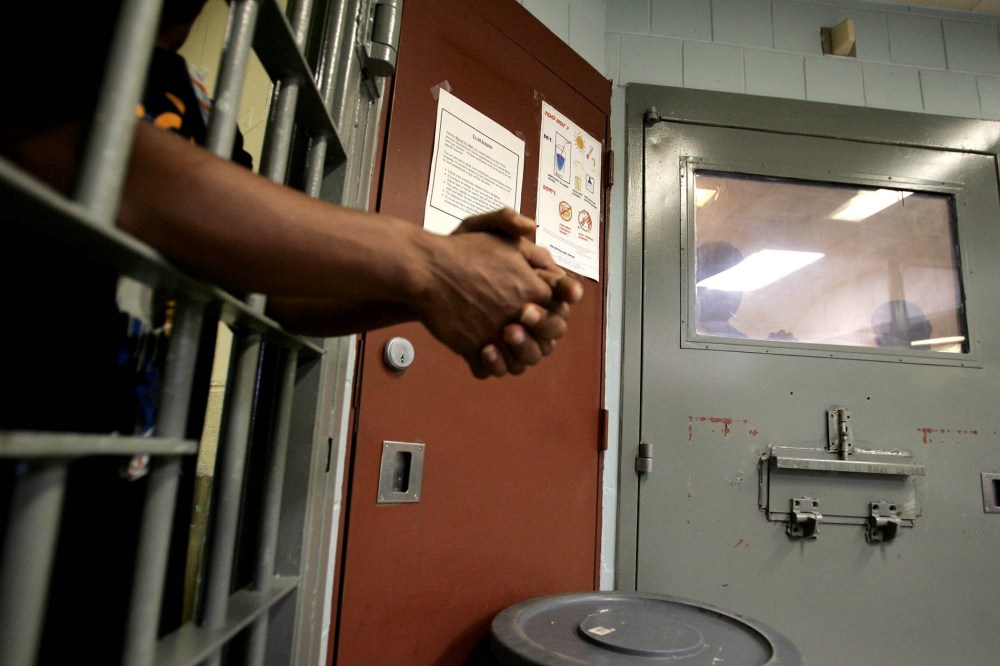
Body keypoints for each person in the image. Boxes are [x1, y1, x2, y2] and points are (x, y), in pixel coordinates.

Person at [0, 2, 583, 662]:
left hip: (129, 493)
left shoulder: (194, 100)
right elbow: (74, 145)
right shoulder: (41, 38)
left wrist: (426, 289)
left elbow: (268, 286)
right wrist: (428, 265)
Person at [695, 240, 747, 338]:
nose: (734, 294)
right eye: (725, 282)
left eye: (739, 284)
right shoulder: (675, 332)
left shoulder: (740, 341)